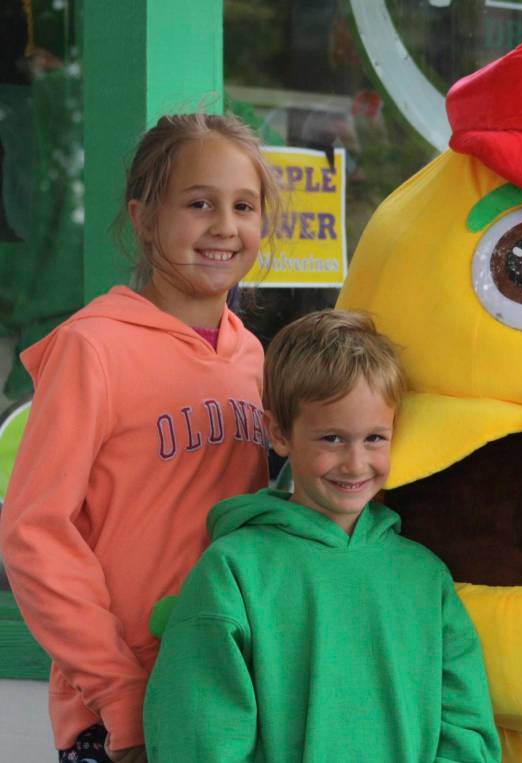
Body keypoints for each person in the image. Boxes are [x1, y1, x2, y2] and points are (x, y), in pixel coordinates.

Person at [0, 112, 279, 762]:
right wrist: (121, 694)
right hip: (120, 711)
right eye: (199, 203)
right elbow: (34, 534)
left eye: (244, 205)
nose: (224, 226)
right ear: (144, 217)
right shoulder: (91, 348)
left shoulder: (254, 358)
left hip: (226, 694)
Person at [143, 309, 502, 762]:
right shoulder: (232, 571)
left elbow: (465, 728)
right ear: (278, 433)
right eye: (332, 438)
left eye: (374, 438)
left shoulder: (426, 578)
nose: (355, 463)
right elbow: (198, 733)